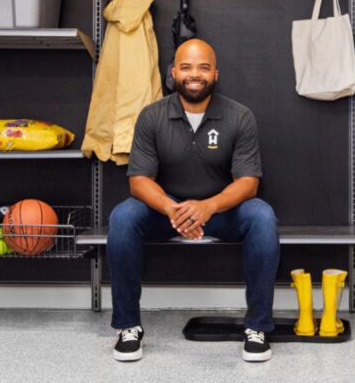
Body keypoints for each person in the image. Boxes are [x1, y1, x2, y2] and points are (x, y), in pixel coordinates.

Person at [107, 38, 280, 363]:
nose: (194, 74)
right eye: (186, 67)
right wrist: (174, 209)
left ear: (215, 73)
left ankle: (257, 328)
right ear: (173, 73)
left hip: (221, 211)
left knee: (262, 216)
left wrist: (208, 207)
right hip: (166, 211)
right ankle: (128, 326)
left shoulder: (239, 117)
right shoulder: (151, 116)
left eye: (203, 67)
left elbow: (248, 183)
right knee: (122, 217)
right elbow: (139, 181)